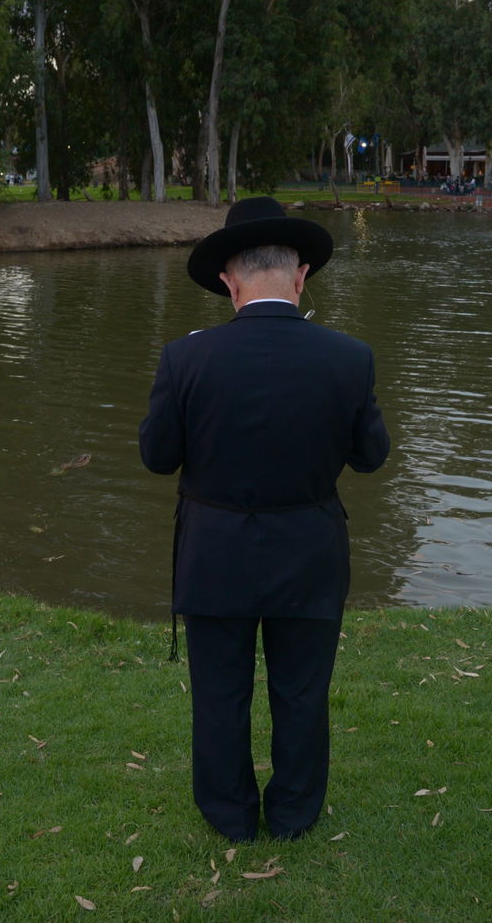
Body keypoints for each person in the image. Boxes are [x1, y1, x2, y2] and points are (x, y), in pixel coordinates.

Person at [138, 196, 390, 843]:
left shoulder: (186, 358)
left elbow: (157, 456)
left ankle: (229, 815)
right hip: (308, 552)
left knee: (220, 693)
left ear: (229, 278)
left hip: (215, 552)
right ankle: (293, 813)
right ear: (300, 274)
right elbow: (371, 457)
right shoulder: (349, 356)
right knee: (301, 692)